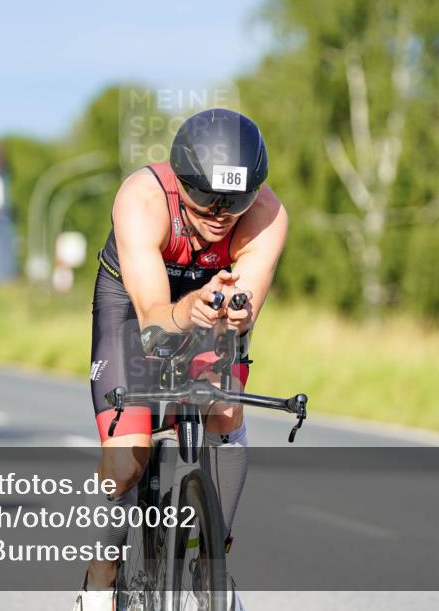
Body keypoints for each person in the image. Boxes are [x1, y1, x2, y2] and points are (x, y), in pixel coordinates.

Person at [73, 109, 288, 611]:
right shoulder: (142, 199)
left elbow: (248, 297)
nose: (220, 212)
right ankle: (101, 578)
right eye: (205, 196)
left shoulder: (267, 212)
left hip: (208, 301)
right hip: (133, 303)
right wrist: (186, 309)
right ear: (179, 179)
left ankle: (211, 564)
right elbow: (152, 319)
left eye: (236, 200)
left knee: (225, 410)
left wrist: (237, 312)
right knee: (126, 462)